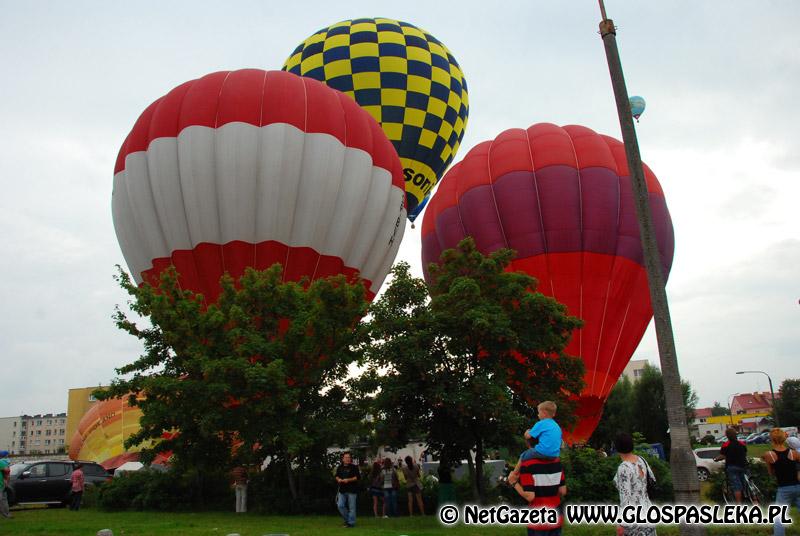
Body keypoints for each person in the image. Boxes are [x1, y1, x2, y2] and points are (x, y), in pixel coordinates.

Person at [507, 444, 566, 536]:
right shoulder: (557, 462)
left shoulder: (527, 465)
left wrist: (514, 483)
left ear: (528, 444)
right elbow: (563, 491)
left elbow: (530, 496)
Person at [613, 432, 656, 536]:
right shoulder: (641, 460)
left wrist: (621, 524)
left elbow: (625, 498)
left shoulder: (624, 468)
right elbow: (653, 479)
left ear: (617, 448)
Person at [763, 428, 800, 536]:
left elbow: (771, 473)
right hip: (798, 486)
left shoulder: (769, 454)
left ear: (772, 439)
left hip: (784, 488)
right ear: (784, 439)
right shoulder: (794, 453)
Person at [713, 427, 748, 503]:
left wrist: (716, 459)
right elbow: (745, 452)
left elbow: (722, 456)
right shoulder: (742, 443)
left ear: (727, 436)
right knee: (746, 482)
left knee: (736, 486)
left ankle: (739, 504)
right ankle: (753, 498)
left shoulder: (725, 445)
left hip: (732, 467)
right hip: (743, 465)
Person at [335, 452, 360, 528]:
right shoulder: (340, 467)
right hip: (342, 490)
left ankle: (351, 523)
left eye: (349, 457)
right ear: (343, 459)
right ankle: (348, 520)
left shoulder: (354, 467)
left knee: (352, 507)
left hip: (352, 490)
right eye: (346, 457)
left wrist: (348, 480)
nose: (348, 459)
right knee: (340, 505)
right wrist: (338, 479)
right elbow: (336, 476)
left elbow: (357, 477)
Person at [0, 450, 11, 519]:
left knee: (2, 499)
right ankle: (6, 514)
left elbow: (7, 471)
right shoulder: (3, 461)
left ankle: (6, 514)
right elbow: (7, 472)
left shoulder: (1, 462)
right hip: (2, 483)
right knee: (3, 499)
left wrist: (6, 480)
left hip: (1, 484)